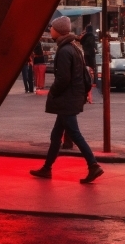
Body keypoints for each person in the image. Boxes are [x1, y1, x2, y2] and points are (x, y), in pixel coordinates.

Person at [30, 16, 103, 184]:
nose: (50, 30)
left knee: (74, 134)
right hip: (72, 97)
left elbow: (63, 78)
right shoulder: (73, 47)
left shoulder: (64, 51)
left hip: (67, 99)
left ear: (59, 30)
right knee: (56, 135)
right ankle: (47, 168)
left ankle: (93, 165)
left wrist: (52, 92)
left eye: (52, 28)